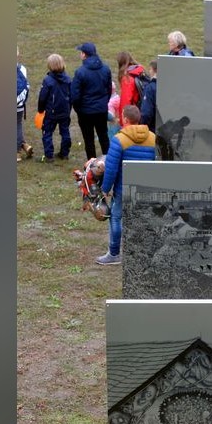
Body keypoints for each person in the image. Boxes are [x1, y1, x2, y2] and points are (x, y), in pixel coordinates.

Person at [97, 105, 157, 265]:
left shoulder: (119, 140)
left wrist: (105, 189)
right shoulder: (153, 138)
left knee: (116, 219)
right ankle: (141, 254)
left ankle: (114, 254)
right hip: (145, 190)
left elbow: (111, 168)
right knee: (142, 221)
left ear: (125, 119)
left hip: (122, 189)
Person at [70, 42, 113, 160]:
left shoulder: (80, 72)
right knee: (104, 136)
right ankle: (108, 161)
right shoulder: (105, 69)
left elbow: (75, 95)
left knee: (88, 140)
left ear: (84, 55)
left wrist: (79, 109)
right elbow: (108, 89)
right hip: (101, 110)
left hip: (85, 113)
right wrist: (104, 103)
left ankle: (91, 165)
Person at [35, 53, 72, 163]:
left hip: (51, 113)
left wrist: (40, 110)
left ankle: (49, 155)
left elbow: (42, 98)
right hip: (65, 112)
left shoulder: (48, 80)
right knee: (65, 132)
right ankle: (64, 153)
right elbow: (72, 96)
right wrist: (68, 109)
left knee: (47, 133)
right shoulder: (68, 79)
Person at [115, 51, 146, 126]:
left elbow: (125, 102)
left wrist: (123, 122)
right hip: (142, 110)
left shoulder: (127, 78)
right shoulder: (140, 70)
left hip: (132, 116)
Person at [16, 46, 33, 161]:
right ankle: (23, 145)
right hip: (19, 105)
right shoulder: (22, 69)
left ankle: (16, 152)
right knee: (17, 125)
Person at [139, 60, 159, 131]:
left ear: (155, 71)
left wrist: (142, 127)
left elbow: (146, 113)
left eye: (150, 69)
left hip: (152, 129)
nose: (149, 72)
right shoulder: (167, 85)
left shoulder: (150, 88)